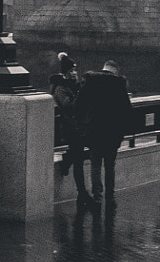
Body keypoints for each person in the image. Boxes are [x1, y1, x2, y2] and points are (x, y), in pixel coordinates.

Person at [74, 60, 133, 211]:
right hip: (112, 133)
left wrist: (85, 125)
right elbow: (127, 111)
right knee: (110, 166)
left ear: (104, 68)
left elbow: (79, 105)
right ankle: (110, 198)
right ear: (115, 71)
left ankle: (97, 197)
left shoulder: (91, 81)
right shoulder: (119, 84)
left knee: (95, 165)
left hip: (94, 131)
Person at [48, 72, 92, 209]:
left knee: (85, 153)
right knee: (78, 159)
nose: (75, 73)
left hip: (80, 127)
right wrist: (82, 95)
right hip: (69, 128)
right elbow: (69, 107)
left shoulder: (75, 86)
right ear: (66, 73)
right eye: (71, 70)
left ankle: (67, 159)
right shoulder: (60, 89)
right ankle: (82, 193)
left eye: (75, 70)